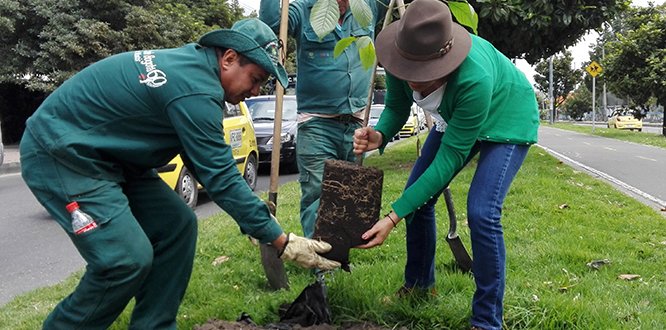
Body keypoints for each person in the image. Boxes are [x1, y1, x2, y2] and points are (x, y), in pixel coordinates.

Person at [19, 18, 340, 329]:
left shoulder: (195, 70)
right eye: (255, 78)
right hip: (62, 153)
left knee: (177, 225)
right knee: (124, 260)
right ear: (229, 58)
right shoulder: (195, 90)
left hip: (113, 161)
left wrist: (263, 226)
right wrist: (281, 241)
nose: (256, 91)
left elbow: (206, 164)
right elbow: (222, 178)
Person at [352, 0, 539, 329]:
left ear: (446, 63)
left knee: (482, 211)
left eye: (423, 76)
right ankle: (419, 286)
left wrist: (392, 217)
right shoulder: (401, 53)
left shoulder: (473, 79)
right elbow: (396, 106)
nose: (414, 81)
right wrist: (380, 135)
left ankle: (486, 320)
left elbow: (449, 159)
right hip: (457, 120)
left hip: (508, 115)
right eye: (409, 73)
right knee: (417, 199)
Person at [259, 0, 389, 238]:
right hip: (316, 123)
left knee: (348, 194)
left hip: (357, 122)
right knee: (318, 193)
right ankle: (319, 263)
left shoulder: (367, 6)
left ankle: (339, 253)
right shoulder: (302, 10)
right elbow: (272, 28)